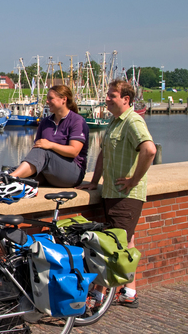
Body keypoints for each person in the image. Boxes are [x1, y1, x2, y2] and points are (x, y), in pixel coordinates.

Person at [78, 80, 156, 309]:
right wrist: (94, 181)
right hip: (112, 192)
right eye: (108, 95)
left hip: (126, 195)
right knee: (127, 241)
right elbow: (103, 153)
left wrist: (134, 180)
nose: (107, 99)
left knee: (111, 244)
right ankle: (130, 291)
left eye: (112, 95)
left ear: (126, 99)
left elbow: (149, 150)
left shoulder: (132, 121)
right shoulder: (114, 122)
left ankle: (98, 295)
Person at [8, 85, 89, 188]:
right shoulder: (45, 122)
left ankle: (9, 178)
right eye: (47, 98)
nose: (47, 101)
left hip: (72, 174)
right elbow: (37, 151)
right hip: (49, 173)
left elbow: (74, 151)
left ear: (64, 99)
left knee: (44, 150)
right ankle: (3, 176)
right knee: (16, 170)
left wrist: (50, 145)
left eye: (51, 98)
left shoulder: (77, 121)